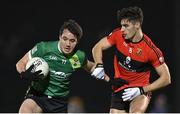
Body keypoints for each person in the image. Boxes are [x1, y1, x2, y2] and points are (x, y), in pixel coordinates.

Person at [16, 19, 125, 113]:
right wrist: (23, 73)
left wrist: (110, 80)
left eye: (72, 41)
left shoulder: (77, 57)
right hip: (37, 95)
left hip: (59, 103)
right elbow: (21, 63)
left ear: (77, 41)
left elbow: (92, 68)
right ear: (59, 37)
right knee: (25, 111)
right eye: (65, 39)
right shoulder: (44, 48)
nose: (68, 44)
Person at [91, 6, 171, 113]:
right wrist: (99, 64)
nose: (122, 29)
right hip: (119, 88)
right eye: (121, 25)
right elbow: (97, 47)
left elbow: (166, 78)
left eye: (126, 26)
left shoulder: (151, 50)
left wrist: (141, 90)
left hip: (140, 91)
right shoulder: (118, 35)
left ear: (137, 24)